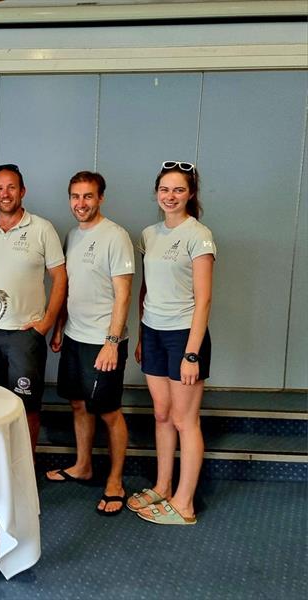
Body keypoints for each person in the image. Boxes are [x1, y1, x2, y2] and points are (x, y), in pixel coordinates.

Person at [128, 161, 215, 526]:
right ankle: (163, 485)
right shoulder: (149, 234)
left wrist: (191, 353)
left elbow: (204, 298)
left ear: (190, 194)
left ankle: (185, 503)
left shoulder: (200, 235)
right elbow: (146, 288)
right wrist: (142, 332)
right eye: (165, 189)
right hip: (153, 333)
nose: (170, 196)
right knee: (162, 414)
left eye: (178, 190)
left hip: (184, 336)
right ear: (156, 193)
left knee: (184, 420)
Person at [45, 171, 134, 516]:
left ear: (101, 198)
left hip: (103, 341)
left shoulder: (116, 236)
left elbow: (123, 295)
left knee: (109, 412)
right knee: (79, 404)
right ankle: (83, 465)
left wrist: (112, 342)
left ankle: (115, 480)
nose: (81, 204)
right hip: (74, 337)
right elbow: (71, 288)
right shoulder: (72, 235)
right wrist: (59, 328)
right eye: (75, 197)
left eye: (88, 196)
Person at [0, 163, 67, 449]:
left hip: (26, 334)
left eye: (11, 187)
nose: (6, 193)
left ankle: (25, 470)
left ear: (22, 191)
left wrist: (47, 323)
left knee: (27, 406)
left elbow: (60, 277)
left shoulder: (42, 228)